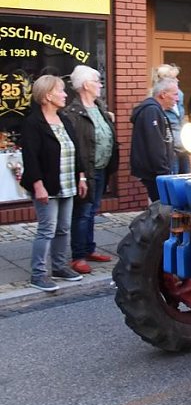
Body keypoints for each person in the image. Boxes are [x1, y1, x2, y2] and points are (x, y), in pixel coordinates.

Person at [19, 74, 86, 292]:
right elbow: (31, 157)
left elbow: (76, 150)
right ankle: (38, 274)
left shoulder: (64, 119)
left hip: (67, 183)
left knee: (63, 228)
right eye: (61, 90)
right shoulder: (33, 123)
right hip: (46, 185)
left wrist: (81, 176)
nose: (65, 94)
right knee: (47, 229)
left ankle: (59, 267)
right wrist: (38, 185)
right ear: (48, 95)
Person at [63, 65, 119, 274]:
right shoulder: (73, 113)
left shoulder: (100, 107)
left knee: (92, 210)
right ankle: (78, 256)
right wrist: (81, 175)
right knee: (83, 212)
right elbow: (76, 147)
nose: (100, 85)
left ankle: (89, 248)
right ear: (86, 85)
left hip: (102, 167)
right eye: (97, 81)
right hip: (87, 170)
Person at [131, 77, 178, 202]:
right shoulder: (151, 111)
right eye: (175, 94)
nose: (177, 99)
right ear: (163, 94)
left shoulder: (157, 110)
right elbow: (155, 145)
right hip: (155, 173)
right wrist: (163, 172)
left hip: (158, 171)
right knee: (161, 207)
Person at [152, 64, 190, 174]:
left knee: (186, 178)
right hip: (171, 150)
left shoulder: (179, 97)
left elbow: (181, 121)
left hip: (183, 147)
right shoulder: (158, 103)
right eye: (174, 78)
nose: (177, 80)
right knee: (173, 181)